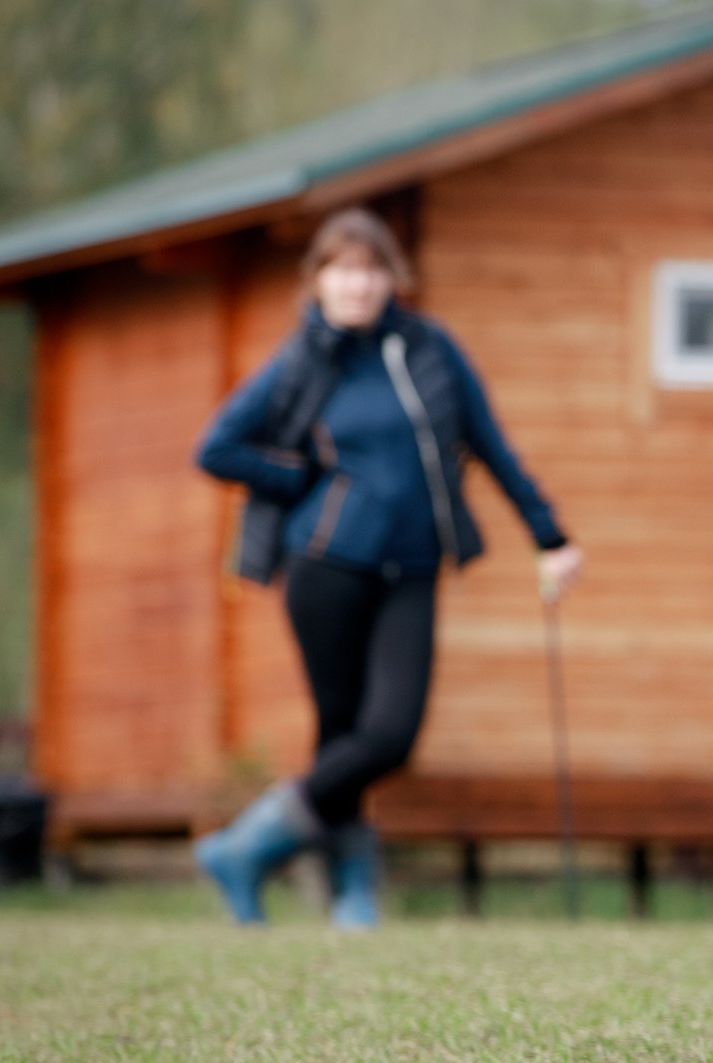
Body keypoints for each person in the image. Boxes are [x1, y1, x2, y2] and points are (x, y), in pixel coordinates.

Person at [193, 207, 582, 927]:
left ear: (391, 279)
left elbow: (490, 443)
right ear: (318, 280)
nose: (357, 285)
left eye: (370, 270)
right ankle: (354, 895)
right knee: (340, 733)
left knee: (390, 734)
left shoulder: (429, 348)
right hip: (323, 566)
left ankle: (244, 848)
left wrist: (548, 535)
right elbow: (216, 446)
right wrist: (302, 478)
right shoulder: (305, 358)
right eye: (342, 270)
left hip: (412, 567)